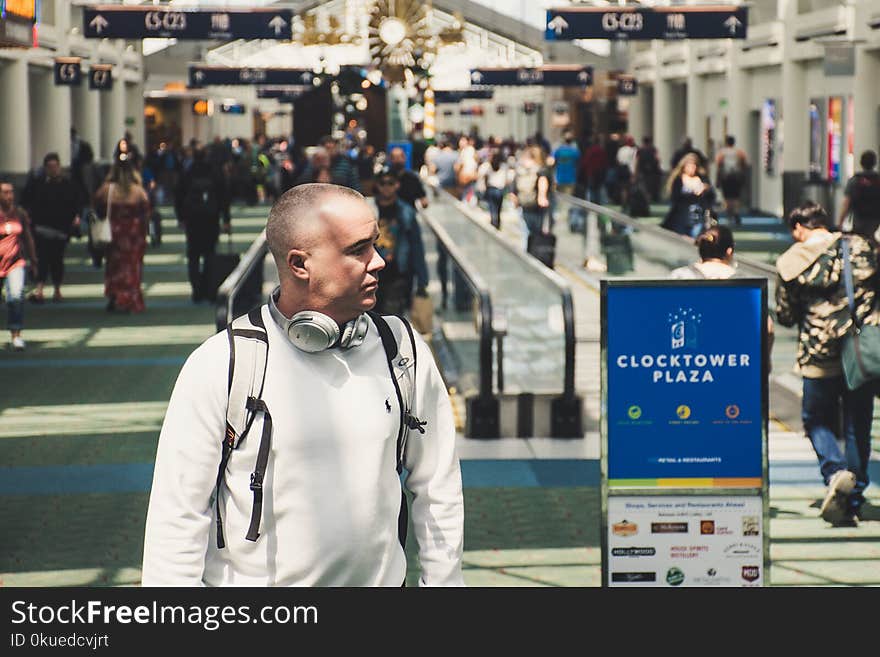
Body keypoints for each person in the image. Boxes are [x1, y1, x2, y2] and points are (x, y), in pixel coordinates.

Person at [142, 183, 464, 586]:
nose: (379, 261)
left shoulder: (401, 348)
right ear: (299, 264)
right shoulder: (224, 364)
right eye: (357, 250)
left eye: (375, 244)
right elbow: (177, 517)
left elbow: (438, 488)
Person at [775, 201, 878, 526]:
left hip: (817, 353)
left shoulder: (791, 261)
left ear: (798, 229)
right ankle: (856, 492)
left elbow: (787, 317)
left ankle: (834, 471)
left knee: (816, 419)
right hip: (858, 350)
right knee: (857, 424)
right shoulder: (859, 245)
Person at [671, 224, 776, 358]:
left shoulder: (679, 276)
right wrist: (765, 363)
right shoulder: (744, 283)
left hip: (691, 359)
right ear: (729, 251)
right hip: (731, 360)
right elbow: (768, 328)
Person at [93, 144, 151, 314]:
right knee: (132, 266)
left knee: (113, 265)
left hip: (114, 232)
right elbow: (146, 212)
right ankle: (129, 297)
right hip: (133, 234)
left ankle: (114, 295)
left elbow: (97, 205)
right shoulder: (138, 191)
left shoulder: (107, 190)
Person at [369, 166, 429, 316]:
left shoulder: (406, 211)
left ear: (397, 185)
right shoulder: (368, 210)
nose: (387, 187)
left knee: (392, 318)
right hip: (373, 272)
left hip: (398, 273)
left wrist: (422, 279)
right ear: (377, 185)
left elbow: (416, 245)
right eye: (383, 183)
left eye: (391, 183)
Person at [20, 152, 80, 303]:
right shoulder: (38, 184)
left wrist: (76, 217)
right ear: (45, 168)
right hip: (42, 227)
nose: (53, 169)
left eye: (55, 166)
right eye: (50, 167)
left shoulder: (67, 185)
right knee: (42, 258)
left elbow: (75, 203)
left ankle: (57, 289)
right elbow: (26, 200)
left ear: (59, 167)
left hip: (61, 229)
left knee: (57, 260)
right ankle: (40, 288)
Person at [174, 146, 231, 302]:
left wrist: (180, 217)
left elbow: (178, 195)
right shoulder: (215, 172)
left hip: (193, 220)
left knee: (193, 255)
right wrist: (226, 219)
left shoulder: (187, 173)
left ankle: (196, 290)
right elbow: (224, 197)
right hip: (211, 219)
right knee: (209, 254)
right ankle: (208, 288)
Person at [0, 180, 38, 350]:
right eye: (5, 192)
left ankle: (16, 334)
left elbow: (28, 237)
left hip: (15, 262)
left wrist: (34, 260)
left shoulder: (19, 213)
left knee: (16, 296)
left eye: (11, 192)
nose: (9, 196)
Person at [661, 153, 716, 238]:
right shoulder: (678, 179)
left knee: (696, 235)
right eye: (690, 166)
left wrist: (705, 189)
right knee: (681, 236)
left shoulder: (701, 178)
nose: (692, 169)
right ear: (684, 166)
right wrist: (691, 195)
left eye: (694, 166)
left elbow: (711, 196)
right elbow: (675, 197)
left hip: (697, 213)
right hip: (681, 214)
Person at [511, 145, 552, 251]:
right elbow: (543, 181)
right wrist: (542, 197)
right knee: (537, 232)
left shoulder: (521, 170)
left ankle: (527, 253)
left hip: (524, 204)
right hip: (537, 206)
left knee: (526, 232)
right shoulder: (541, 170)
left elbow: (514, 187)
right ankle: (535, 254)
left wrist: (515, 201)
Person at [837, 149, 880, 241]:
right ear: (875, 163)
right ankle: (873, 253)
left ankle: (858, 254)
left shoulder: (854, 180)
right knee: (871, 238)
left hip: (859, 217)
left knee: (857, 240)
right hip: (876, 217)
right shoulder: (878, 179)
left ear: (861, 163)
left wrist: (840, 222)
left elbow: (846, 203)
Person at [295, 136, 360, 192]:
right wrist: (318, 167)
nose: (330, 152)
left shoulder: (346, 164)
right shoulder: (313, 163)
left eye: (333, 148)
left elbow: (355, 186)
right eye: (327, 148)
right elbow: (301, 184)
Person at [714, 136, 748, 226]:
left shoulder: (722, 153)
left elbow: (719, 166)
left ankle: (729, 215)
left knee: (727, 197)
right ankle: (736, 213)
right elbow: (744, 164)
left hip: (726, 177)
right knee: (736, 197)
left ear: (726, 143)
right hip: (736, 177)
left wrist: (717, 179)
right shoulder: (739, 152)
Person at [477, 150, 513, 230]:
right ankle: (497, 224)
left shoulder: (487, 165)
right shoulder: (504, 166)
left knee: (492, 208)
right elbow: (508, 179)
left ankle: (494, 224)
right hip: (500, 190)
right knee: (498, 209)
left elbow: (480, 174)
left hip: (491, 189)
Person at [552, 131, 580, 197]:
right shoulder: (575, 151)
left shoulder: (558, 150)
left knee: (559, 198)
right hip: (571, 178)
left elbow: (553, 162)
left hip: (559, 178)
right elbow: (578, 163)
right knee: (568, 199)